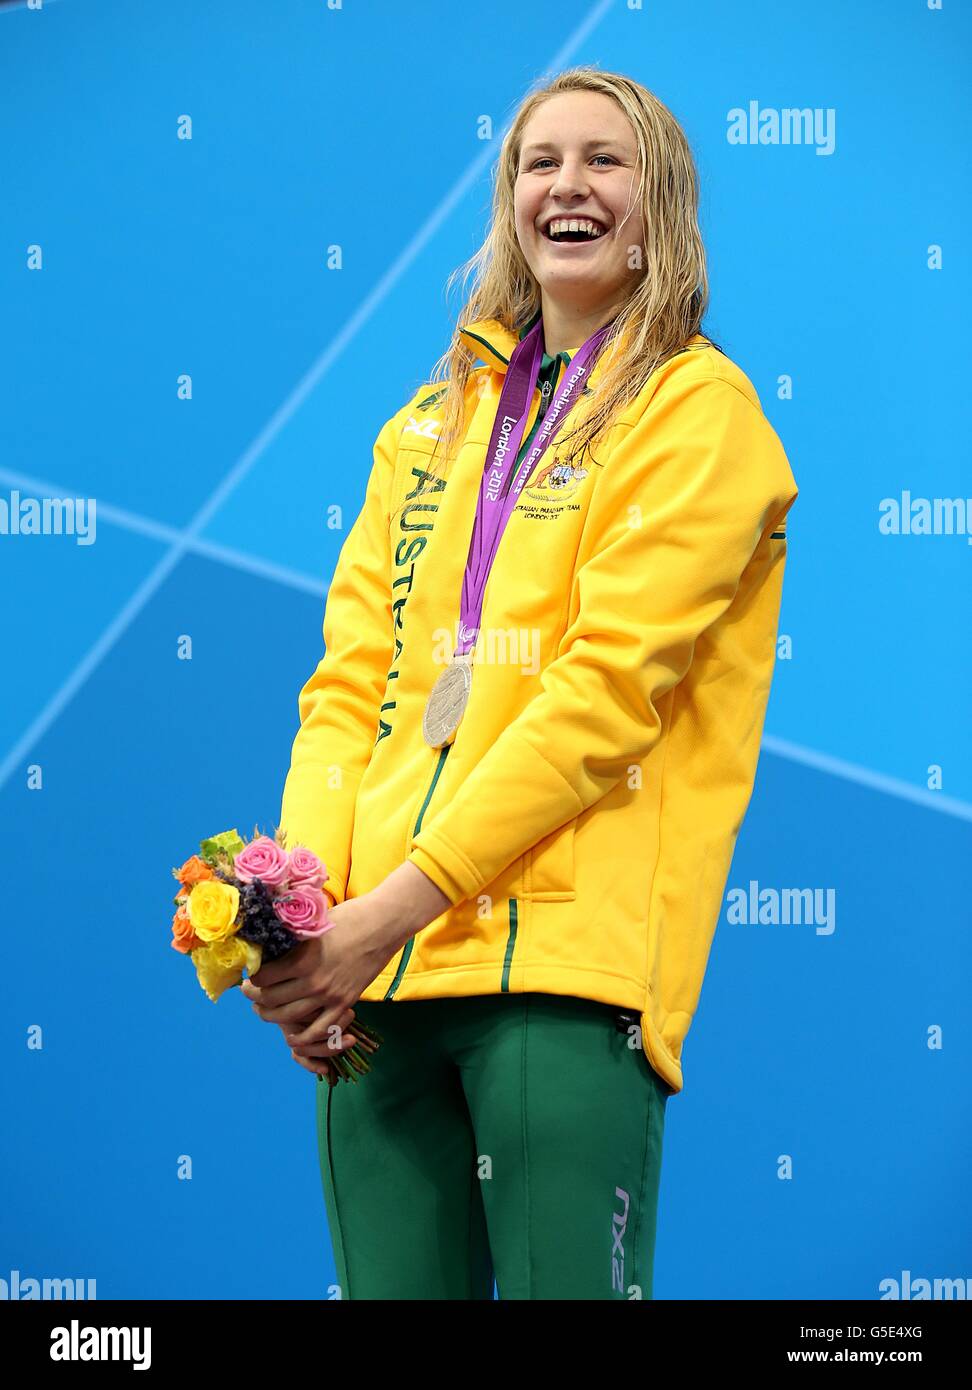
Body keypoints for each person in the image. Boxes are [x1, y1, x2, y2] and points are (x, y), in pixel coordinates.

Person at [241, 65, 798, 1300]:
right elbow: (348, 689)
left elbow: (603, 699)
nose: (569, 185)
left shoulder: (700, 413)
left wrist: (379, 917)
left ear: (662, 206)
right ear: (507, 205)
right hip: (377, 987)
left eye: (607, 160)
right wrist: (305, 924)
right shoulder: (427, 427)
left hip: (561, 974)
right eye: (540, 162)